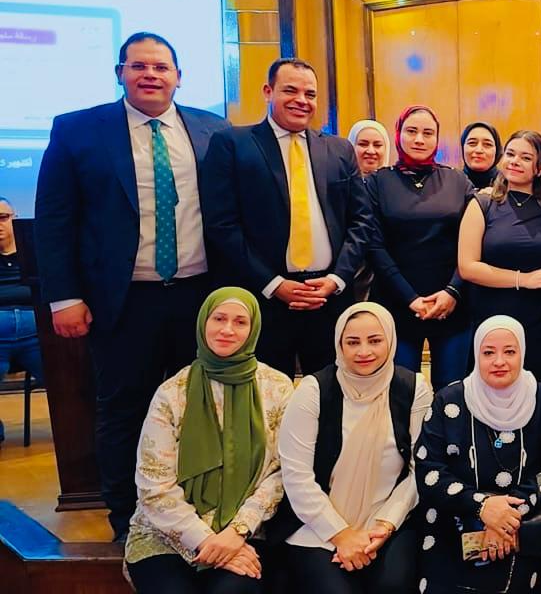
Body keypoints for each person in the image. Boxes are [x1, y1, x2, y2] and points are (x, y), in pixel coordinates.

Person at [35, 31, 229, 538]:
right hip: (122, 301)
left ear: (179, 77)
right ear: (119, 73)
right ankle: (128, 520)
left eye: (161, 67)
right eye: (138, 66)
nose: (150, 75)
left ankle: (194, 512)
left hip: (198, 296)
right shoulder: (78, 130)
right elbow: (54, 219)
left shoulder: (213, 130)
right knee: (125, 410)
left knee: (199, 410)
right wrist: (65, 296)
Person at [201, 57, 373, 377]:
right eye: (290, 90)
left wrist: (336, 279)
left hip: (328, 297)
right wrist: (274, 283)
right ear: (268, 91)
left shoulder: (339, 150)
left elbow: (361, 222)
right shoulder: (232, 144)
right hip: (263, 297)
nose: (301, 100)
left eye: (310, 94)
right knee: (268, 394)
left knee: (329, 392)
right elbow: (221, 224)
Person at [124, 287, 295, 594]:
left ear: (254, 328)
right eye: (219, 319)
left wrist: (236, 531)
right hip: (165, 534)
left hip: (245, 531)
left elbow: (281, 473)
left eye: (240, 322)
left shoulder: (278, 388)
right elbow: (154, 485)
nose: (227, 329)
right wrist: (204, 539)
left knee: (236, 591)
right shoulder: (172, 393)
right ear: (203, 322)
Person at [276, 301, 430, 594]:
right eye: (353, 342)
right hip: (316, 525)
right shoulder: (313, 390)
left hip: (388, 520)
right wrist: (342, 535)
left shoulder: (413, 388)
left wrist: (385, 525)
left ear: (390, 340)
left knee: (393, 585)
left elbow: (418, 469)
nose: (363, 351)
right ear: (339, 344)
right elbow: (296, 476)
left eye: (375, 340)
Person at [415, 315, 541, 594]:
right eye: (488, 353)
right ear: (476, 355)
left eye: (509, 352)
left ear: (523, 353)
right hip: (452, 529)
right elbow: (429, 471)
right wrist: (482, 507)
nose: (499, 361)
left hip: (520, 530)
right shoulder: (449, 400)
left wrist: (505, 517)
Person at [364, 105, 472, 382]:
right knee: (401, 391)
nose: (419, 139)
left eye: (428, 133)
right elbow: (374, 246)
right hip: (396, 301)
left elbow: (474, 243)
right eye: (411, 131)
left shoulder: (457, 180)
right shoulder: (378, 182)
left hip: (452, 303)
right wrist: (410, 299)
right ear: (398, 134)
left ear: (438, 138)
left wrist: (453, 291)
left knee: (452, 391)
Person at [458, 130, 541, 383]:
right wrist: (523, 279)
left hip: (537, 321)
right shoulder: (482, 203)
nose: (515, 161)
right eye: (510, 154)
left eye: (525, 158)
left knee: (537, 390)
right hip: (490, 317)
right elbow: (467, 266)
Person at [0, 197, 43, 446]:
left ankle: (77, 434)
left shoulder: (35, 253)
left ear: (14, 218)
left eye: (3, 218)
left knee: (67, 375)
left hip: (36, 328)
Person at [345, 120, 391, 303]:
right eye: (363, 144)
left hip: (387, 274)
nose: (371, 151)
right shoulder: (339, 186)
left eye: (377, 145)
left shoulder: (395, 186)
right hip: (351, 272)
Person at [461, 121, 503, 190]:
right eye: (472, 143)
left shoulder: (508, 185)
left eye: (487, 144)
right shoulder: (451, 184)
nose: (479, 150)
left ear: (497, 151)